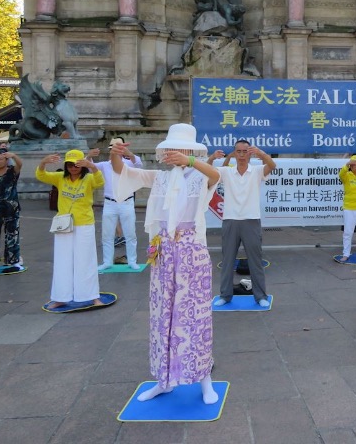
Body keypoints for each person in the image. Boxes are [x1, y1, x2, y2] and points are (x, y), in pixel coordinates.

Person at [109, 124, 222, 404]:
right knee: (162, 314)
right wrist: (116, 154)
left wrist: (193, 162)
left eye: (181, 149)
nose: (175, 153)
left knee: (194, 314)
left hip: (191, 250)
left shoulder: (200, 175)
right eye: (172, 149)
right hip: (163, 250)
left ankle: (204, 379)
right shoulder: (160, 177)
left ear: (191, 151)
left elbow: (216, 174)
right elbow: (124, 173)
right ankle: (164, 380)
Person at [208, 140, 277, 308]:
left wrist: (261, 154)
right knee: (227, 260)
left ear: (249, 153)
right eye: (238, 151)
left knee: (255, 260)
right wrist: (211, 158)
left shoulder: (257, 171)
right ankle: (225, 295)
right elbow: (207, 171)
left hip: (251, 220)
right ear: (234, 154)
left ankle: (260, 295)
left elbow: (272, 165)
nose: (241, 155)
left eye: (244, 151)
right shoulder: (226, 172)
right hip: (230, 220)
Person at [36, 150, 103, 308]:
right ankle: (60, 297)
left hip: (85, 223)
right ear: (66, 165)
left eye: (77, 164)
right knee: (62, 261)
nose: (74, 167)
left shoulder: (88, 178)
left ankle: (93, 296)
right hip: (64, 224)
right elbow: (41, 175)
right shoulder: (60, 178)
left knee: (86, 261)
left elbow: (100, 182)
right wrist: (43, 162)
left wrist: (92, 166)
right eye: (70, 165)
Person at [89, 138, 143, 271]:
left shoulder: (128, 163)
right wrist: (89, 156)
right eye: (113, 147)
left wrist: (129, 153)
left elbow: (139, 165)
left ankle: (132, 261)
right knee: (107, 235)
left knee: (130, 234)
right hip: (110, 203)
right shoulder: (104, 165)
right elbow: (90, 168)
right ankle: (107, 261)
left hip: (126, 202)